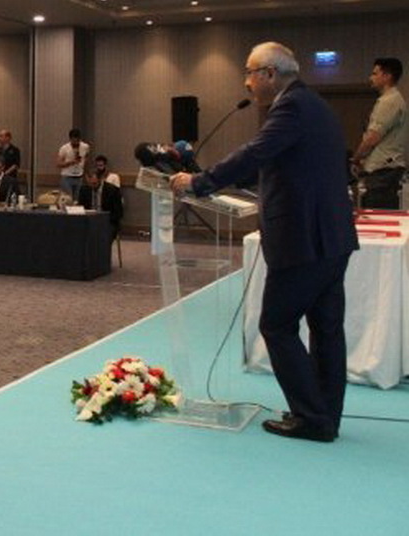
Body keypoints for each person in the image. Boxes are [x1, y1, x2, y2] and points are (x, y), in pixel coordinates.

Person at [170, 42, 358, 443]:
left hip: (302, 239)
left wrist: (200, 182)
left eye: (250, 72)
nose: (246, 82)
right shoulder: (314, 105)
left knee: (277, 324)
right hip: (331, 237)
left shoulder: (291, 108)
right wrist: (219, 179)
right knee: (326, 329)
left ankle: (311, 417)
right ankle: (325, 415)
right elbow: (278, 164)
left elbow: (255, 152)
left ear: (270, 74)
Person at [352, 57, 406, 209]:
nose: (371, 78)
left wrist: (356, 158)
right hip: (386, 173)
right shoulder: (394, 100)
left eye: (375, 73)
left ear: (387, 76)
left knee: (377, 213)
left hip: (383, 174)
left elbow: (372, 138)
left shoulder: (389, 102)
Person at [77, 164, 123, 241]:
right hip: (89, 221)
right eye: (89, 183)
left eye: (94, 183)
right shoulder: (84, 190)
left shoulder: (113, 191)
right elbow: (81, 208)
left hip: (107, 222)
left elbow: (118, 212)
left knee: (104, 236)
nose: (92, 186)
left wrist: (103, 219)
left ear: (101, 179)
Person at [56, 128, 90, 198]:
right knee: (68, 198)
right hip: (67, 176)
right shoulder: (64, 148)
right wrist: (70, 162)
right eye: (74, 141)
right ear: (70, 139)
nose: (76, 142)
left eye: (77, 140)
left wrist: (86, 173)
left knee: (78, 198)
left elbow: (86, 158)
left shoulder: (85, 147)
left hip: (79, 176)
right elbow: (58, 163)